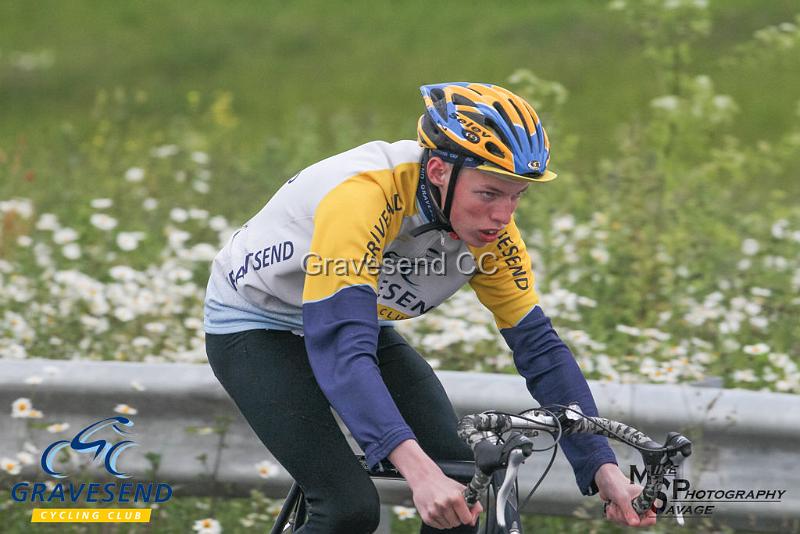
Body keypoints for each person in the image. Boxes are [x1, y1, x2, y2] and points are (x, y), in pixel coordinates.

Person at [204, 82, 656, 532]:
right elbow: (342, 349)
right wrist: (419, 474)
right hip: (255, 323)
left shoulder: (493, 237)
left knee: (464, 494)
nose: (503, 216)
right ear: (439, 170)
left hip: (357, 321)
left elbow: (540, 348)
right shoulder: (363, 197)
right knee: (347, 510)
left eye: (517, 195)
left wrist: (603, 467)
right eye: (489, 193)